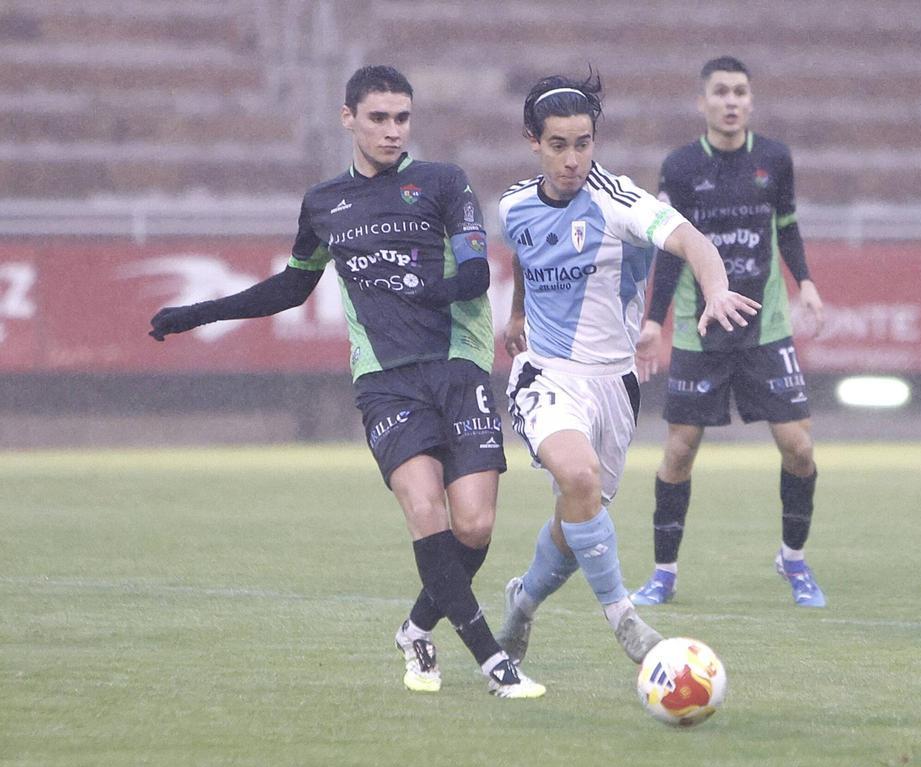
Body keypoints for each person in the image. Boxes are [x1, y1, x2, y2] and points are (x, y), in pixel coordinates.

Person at [147, 65, 544, 698]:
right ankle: (494, 663)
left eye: (402, 118)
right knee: (424, 508)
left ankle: (416, 627)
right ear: (348, 118)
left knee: (473, 527)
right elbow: (292, 285)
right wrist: (199, 313)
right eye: (379, 118)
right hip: (384, 380)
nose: (392, 131)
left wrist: (420, 291)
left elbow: (475, 274)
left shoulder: (443, 182)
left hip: (458, 365)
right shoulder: (324, 203)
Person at [493, 72, 760, 667]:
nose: (572, 159)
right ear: (532, 141)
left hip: (615, 383)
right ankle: (626, 620)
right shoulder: (513, 203)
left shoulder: (621, 203)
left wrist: (715, 289)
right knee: (579, 478)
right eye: (558, 144)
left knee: (578, 512)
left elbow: (693, 241)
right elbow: (524, 250)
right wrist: (516, 316)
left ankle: (522, 606)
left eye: (583, 143)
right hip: (547, 372)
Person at [630, 56, 828, 608]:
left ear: (751, 100)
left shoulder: (774, 159)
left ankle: (793, 560)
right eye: (721, 92)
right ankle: (663, 573)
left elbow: (786, 227)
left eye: (740, 91)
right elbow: (672, 250)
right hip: (701, 333)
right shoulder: (681, 166)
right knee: (679, 453)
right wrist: (654, 321)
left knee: (800, 447)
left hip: (766, 329)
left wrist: (805, 282)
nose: (731, 100)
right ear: (704, 102)